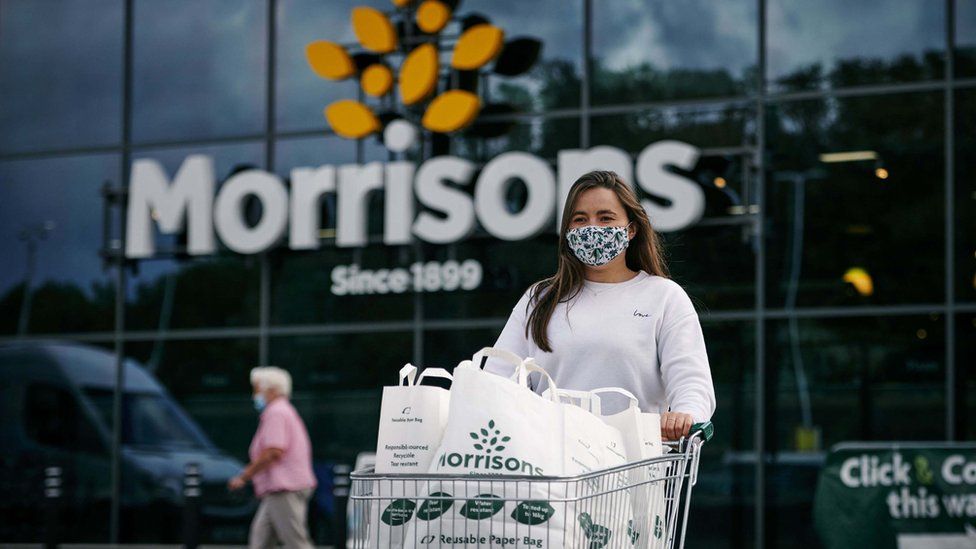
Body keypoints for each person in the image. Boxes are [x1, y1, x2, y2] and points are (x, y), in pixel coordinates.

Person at [486, 170, 716, 440]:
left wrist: (685, 415)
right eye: (580, 219)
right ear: (568, 231)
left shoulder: (663, 297)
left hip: (632, 466)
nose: (592, 228)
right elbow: (497, 378)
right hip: (551, 464)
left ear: (631, 229)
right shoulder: (541, 299)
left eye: (606, 218)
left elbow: (691, 380)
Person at [229, 366, 317, 549]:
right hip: (278, 489)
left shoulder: (276, 412)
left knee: (295, 542)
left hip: (284, 488)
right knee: (261, 540)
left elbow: (273, 451)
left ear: (272, 389)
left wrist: (244, 476)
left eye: (257, 389)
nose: (255, 394)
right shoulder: (283, 410)